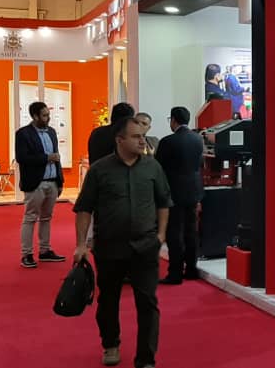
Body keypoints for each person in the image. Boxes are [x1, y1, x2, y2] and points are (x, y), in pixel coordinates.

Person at [73, 117, 172, 368]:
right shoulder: (99, 170)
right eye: (136, 137)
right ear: (120, 140)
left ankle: (146, 358)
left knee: (148, 303)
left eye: (143, 136)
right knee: (108, 300)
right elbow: (84, 208)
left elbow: (163, 202)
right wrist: (81, 244)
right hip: (109, 248)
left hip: (145, 246)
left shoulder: (152, 167)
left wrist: (161, 235)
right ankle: (110, 344)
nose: (142, 141)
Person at [155, 106, 204, 284]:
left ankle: (175, 273)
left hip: (173, 192)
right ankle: (191, 269)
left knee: (174, 232)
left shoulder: (168, 141)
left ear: (173, 120)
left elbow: (158, 167)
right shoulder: (198, 139)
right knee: (191, 231)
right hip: (194, 190)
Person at [14, 101, 66, 268]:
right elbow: (22, 158)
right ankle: (27, 254)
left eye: (48, 114)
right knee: (30, 218)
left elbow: (57, 157)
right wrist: (46, 158)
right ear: (35, 116)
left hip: (52, 182)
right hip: (35, 183)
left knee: (46, 218)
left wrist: (60, 181)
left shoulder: (51, 132)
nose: (48, 118)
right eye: (44, 115)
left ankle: (45, 250)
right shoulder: (23, 134)